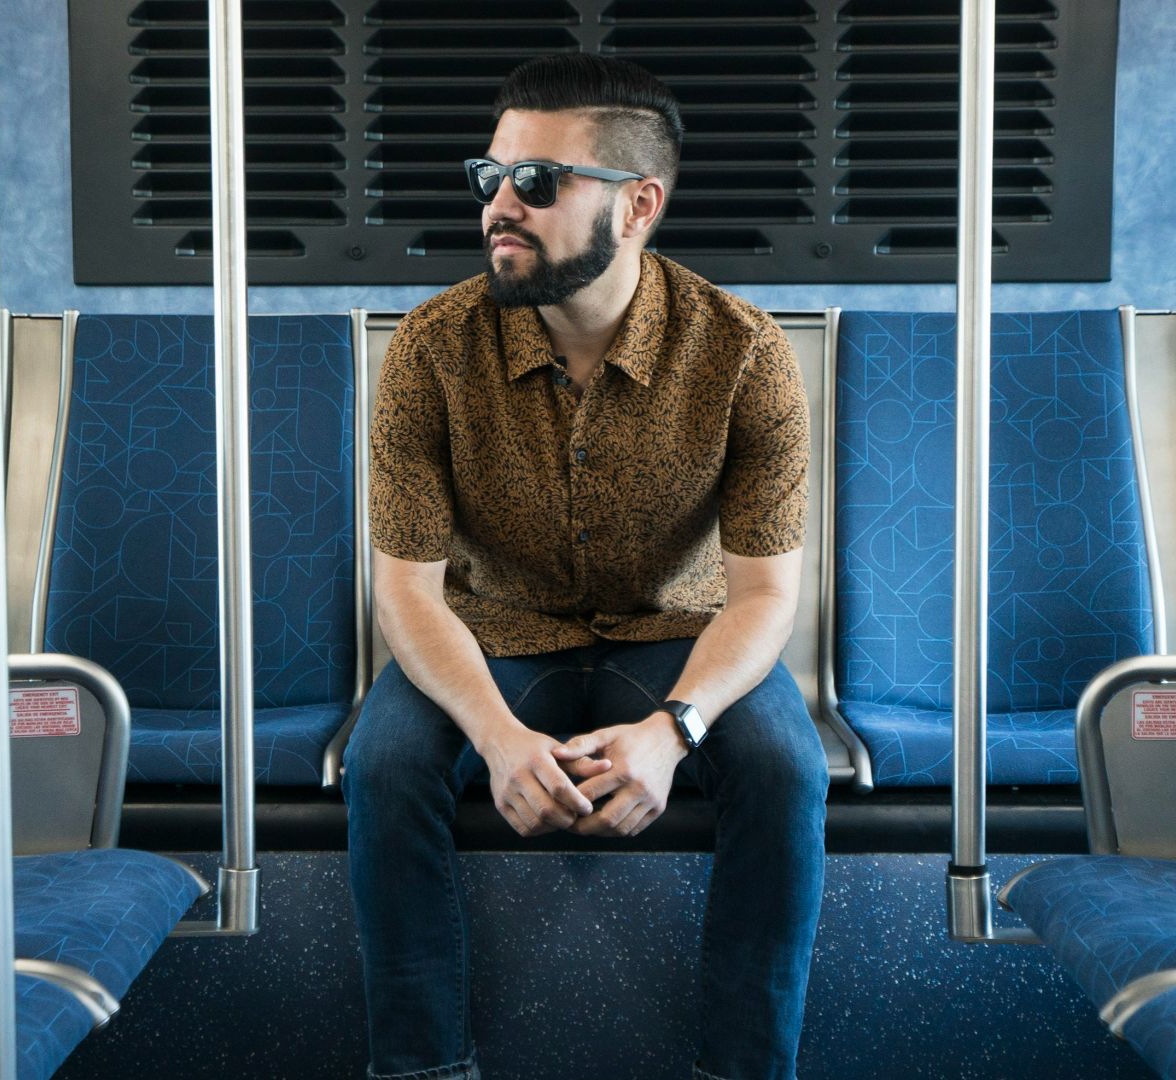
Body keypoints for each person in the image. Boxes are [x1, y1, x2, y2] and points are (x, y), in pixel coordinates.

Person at [343, 52, 826, 1080]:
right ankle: (422, 1070)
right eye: (491, 175)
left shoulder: (746, 355)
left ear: (639, 204)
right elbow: (406, 589)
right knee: (383, 764)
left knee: (787, 768)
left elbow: (767, 595)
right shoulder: (429, 351)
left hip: (677, 638)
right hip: (493, 635)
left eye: (538, 181)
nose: (498, 206)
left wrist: (675, 729)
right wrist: (496, 734)